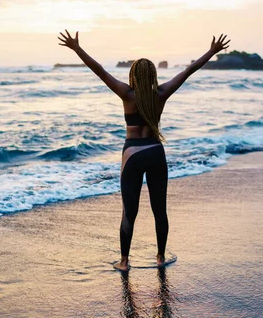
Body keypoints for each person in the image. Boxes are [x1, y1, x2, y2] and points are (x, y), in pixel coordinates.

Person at [58, 30, 230, 271]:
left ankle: (125, 261)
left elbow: (100, 71)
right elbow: (188, 71)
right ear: (153, 75)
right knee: (160, 210)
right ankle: (160, 257)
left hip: (133, 154)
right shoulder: (161, 94)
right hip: (155, 152)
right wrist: (211, 52)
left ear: (133, 75)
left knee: (129, 212)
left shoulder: (126, 94)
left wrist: (77, 48)